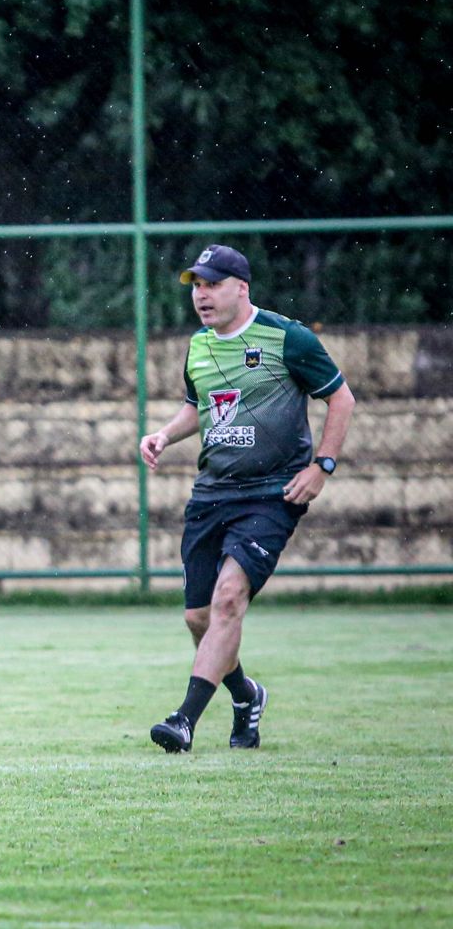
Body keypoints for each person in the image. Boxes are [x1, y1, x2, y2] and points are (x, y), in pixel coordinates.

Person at [139, 244, 355, 752]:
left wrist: (321, 466)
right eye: (196, 285)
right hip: (212, 491)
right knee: (199, 617)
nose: (201, 295)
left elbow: (340, 398)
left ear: (242, 288)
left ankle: (183, 720)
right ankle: (246, 694)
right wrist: (165, 435)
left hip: (272, 492)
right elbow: (201, 407)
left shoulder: (288, 338)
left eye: (211, 284)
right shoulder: (198, 346)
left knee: (228, 599)